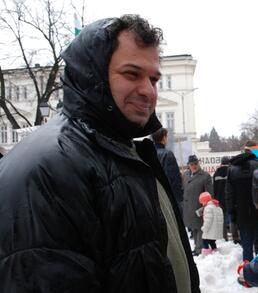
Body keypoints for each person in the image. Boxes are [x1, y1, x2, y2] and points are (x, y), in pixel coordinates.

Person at [0, 15, 200, 292]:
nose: (148, 90)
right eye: (132, 74)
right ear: (92, 74)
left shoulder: (126, 152)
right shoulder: (52, 165)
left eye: (154, 79)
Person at [226, 141, 258, 261]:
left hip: (241, 213)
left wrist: (232, 215)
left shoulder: (232, 168)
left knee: (247, 248)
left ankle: (248, 274)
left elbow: (229, 195)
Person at [182, 154, 213, 256]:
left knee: (199, 228)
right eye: (192, 164)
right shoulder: (185, 175)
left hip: (199, 207)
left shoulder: (205, 176)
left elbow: (210, 194)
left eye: (195, 163)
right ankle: (196, 247)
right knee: (193, 228)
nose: (194, 166)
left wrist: (205, 207)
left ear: (198, 163)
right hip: (188, 207)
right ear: (189, 165)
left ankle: (199, 249)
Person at [153, 127, 184, 211]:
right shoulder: (167, 154)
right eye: (166, 136)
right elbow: (173, 180)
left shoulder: (148, 154)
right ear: (164, 138)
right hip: (167, 199)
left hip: (153, 197)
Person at [213, 156, 236, 241]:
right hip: (229, 198)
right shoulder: (231, 172)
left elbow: (214, 188)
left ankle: (224, 237)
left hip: (219, 199)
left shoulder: (216, 173)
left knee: (221, 219)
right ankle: (234, 236)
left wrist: (215, 198)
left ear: (221, 163)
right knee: (231, 218)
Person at [199, 192, 224, 256]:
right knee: (212, 242)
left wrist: (204, 228)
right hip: (215, 230)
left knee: (205, 241)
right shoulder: (217, 207)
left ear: (204, 201)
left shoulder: (208, 208)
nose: (202, 204)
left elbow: (208, 221)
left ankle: (206, 255)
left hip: (210, 230)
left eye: (202, 202)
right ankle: (215, 253)